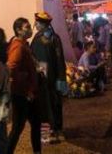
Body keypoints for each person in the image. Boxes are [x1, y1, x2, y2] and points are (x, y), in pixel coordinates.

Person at [30, 11, 67, 143]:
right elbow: (60, 60)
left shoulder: (38, 39)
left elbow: (34, 60)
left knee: (43, 108)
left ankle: (46, 135)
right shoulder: (55, 38)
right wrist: (62, 78)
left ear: (40, 24)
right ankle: (58, 130)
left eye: (37, 23)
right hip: (54, 78)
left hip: (43, 79)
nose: (36, 25)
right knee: (56, 104)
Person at [7, 17, 41, 154]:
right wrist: (26, 88)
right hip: (23, 95)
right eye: (26, 27)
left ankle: (37, 151)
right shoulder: (18, 46)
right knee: (17, 128)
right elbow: (11, 68)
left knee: (34, 124)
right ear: (18, 30)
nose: (30, 29)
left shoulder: (23, 44)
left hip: (27, 93)